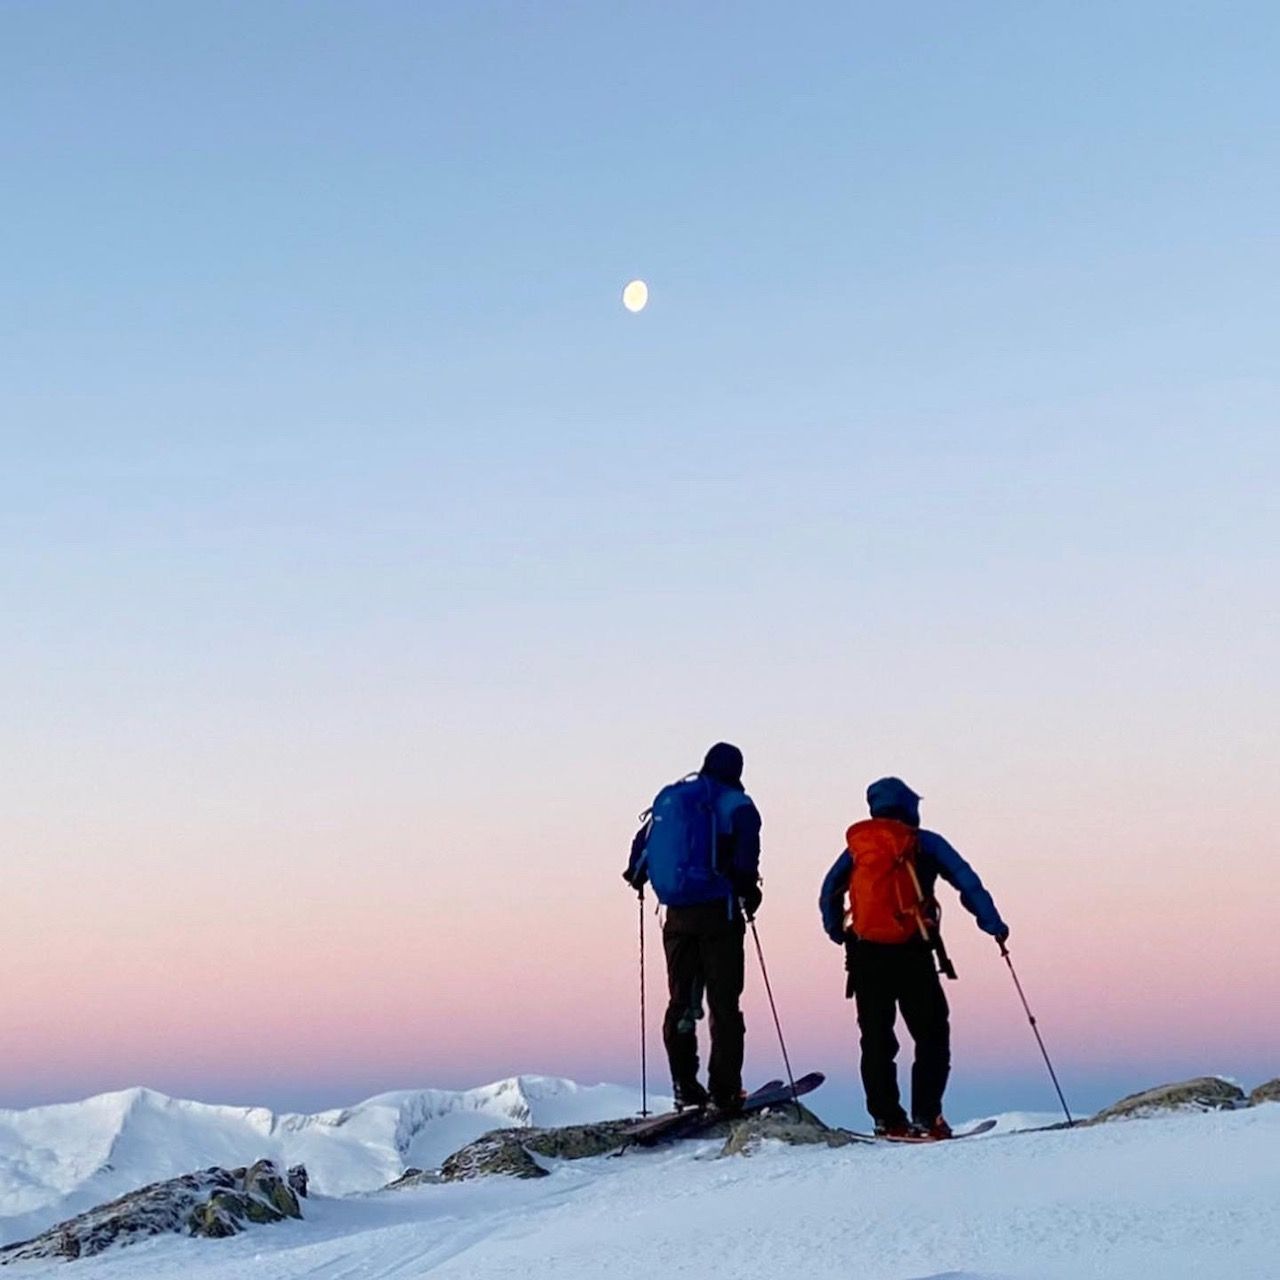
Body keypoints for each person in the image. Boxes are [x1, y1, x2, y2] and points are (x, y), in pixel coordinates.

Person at [819, 776, 1008, 1139]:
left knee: (876, 1039)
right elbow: (966, 880)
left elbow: (829, 890)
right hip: (913, 952)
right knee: (932, 1033)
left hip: (865, 954)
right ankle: (927, 1116)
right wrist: (993, 924)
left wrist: (837, 932)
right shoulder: (924, 843)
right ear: (910, 806)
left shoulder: (858, 847)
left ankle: (886, 1119)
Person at [624, 742, 762, 1113]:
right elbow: (747, 861)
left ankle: (685, 1086)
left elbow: (639, 854)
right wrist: (750, 893)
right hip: (719, 913)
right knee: (724, 1003)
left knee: (682, 1002)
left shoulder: (675, 800)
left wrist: (639, 878)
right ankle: (725, 1090)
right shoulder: (738, 805)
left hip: (677, 916)